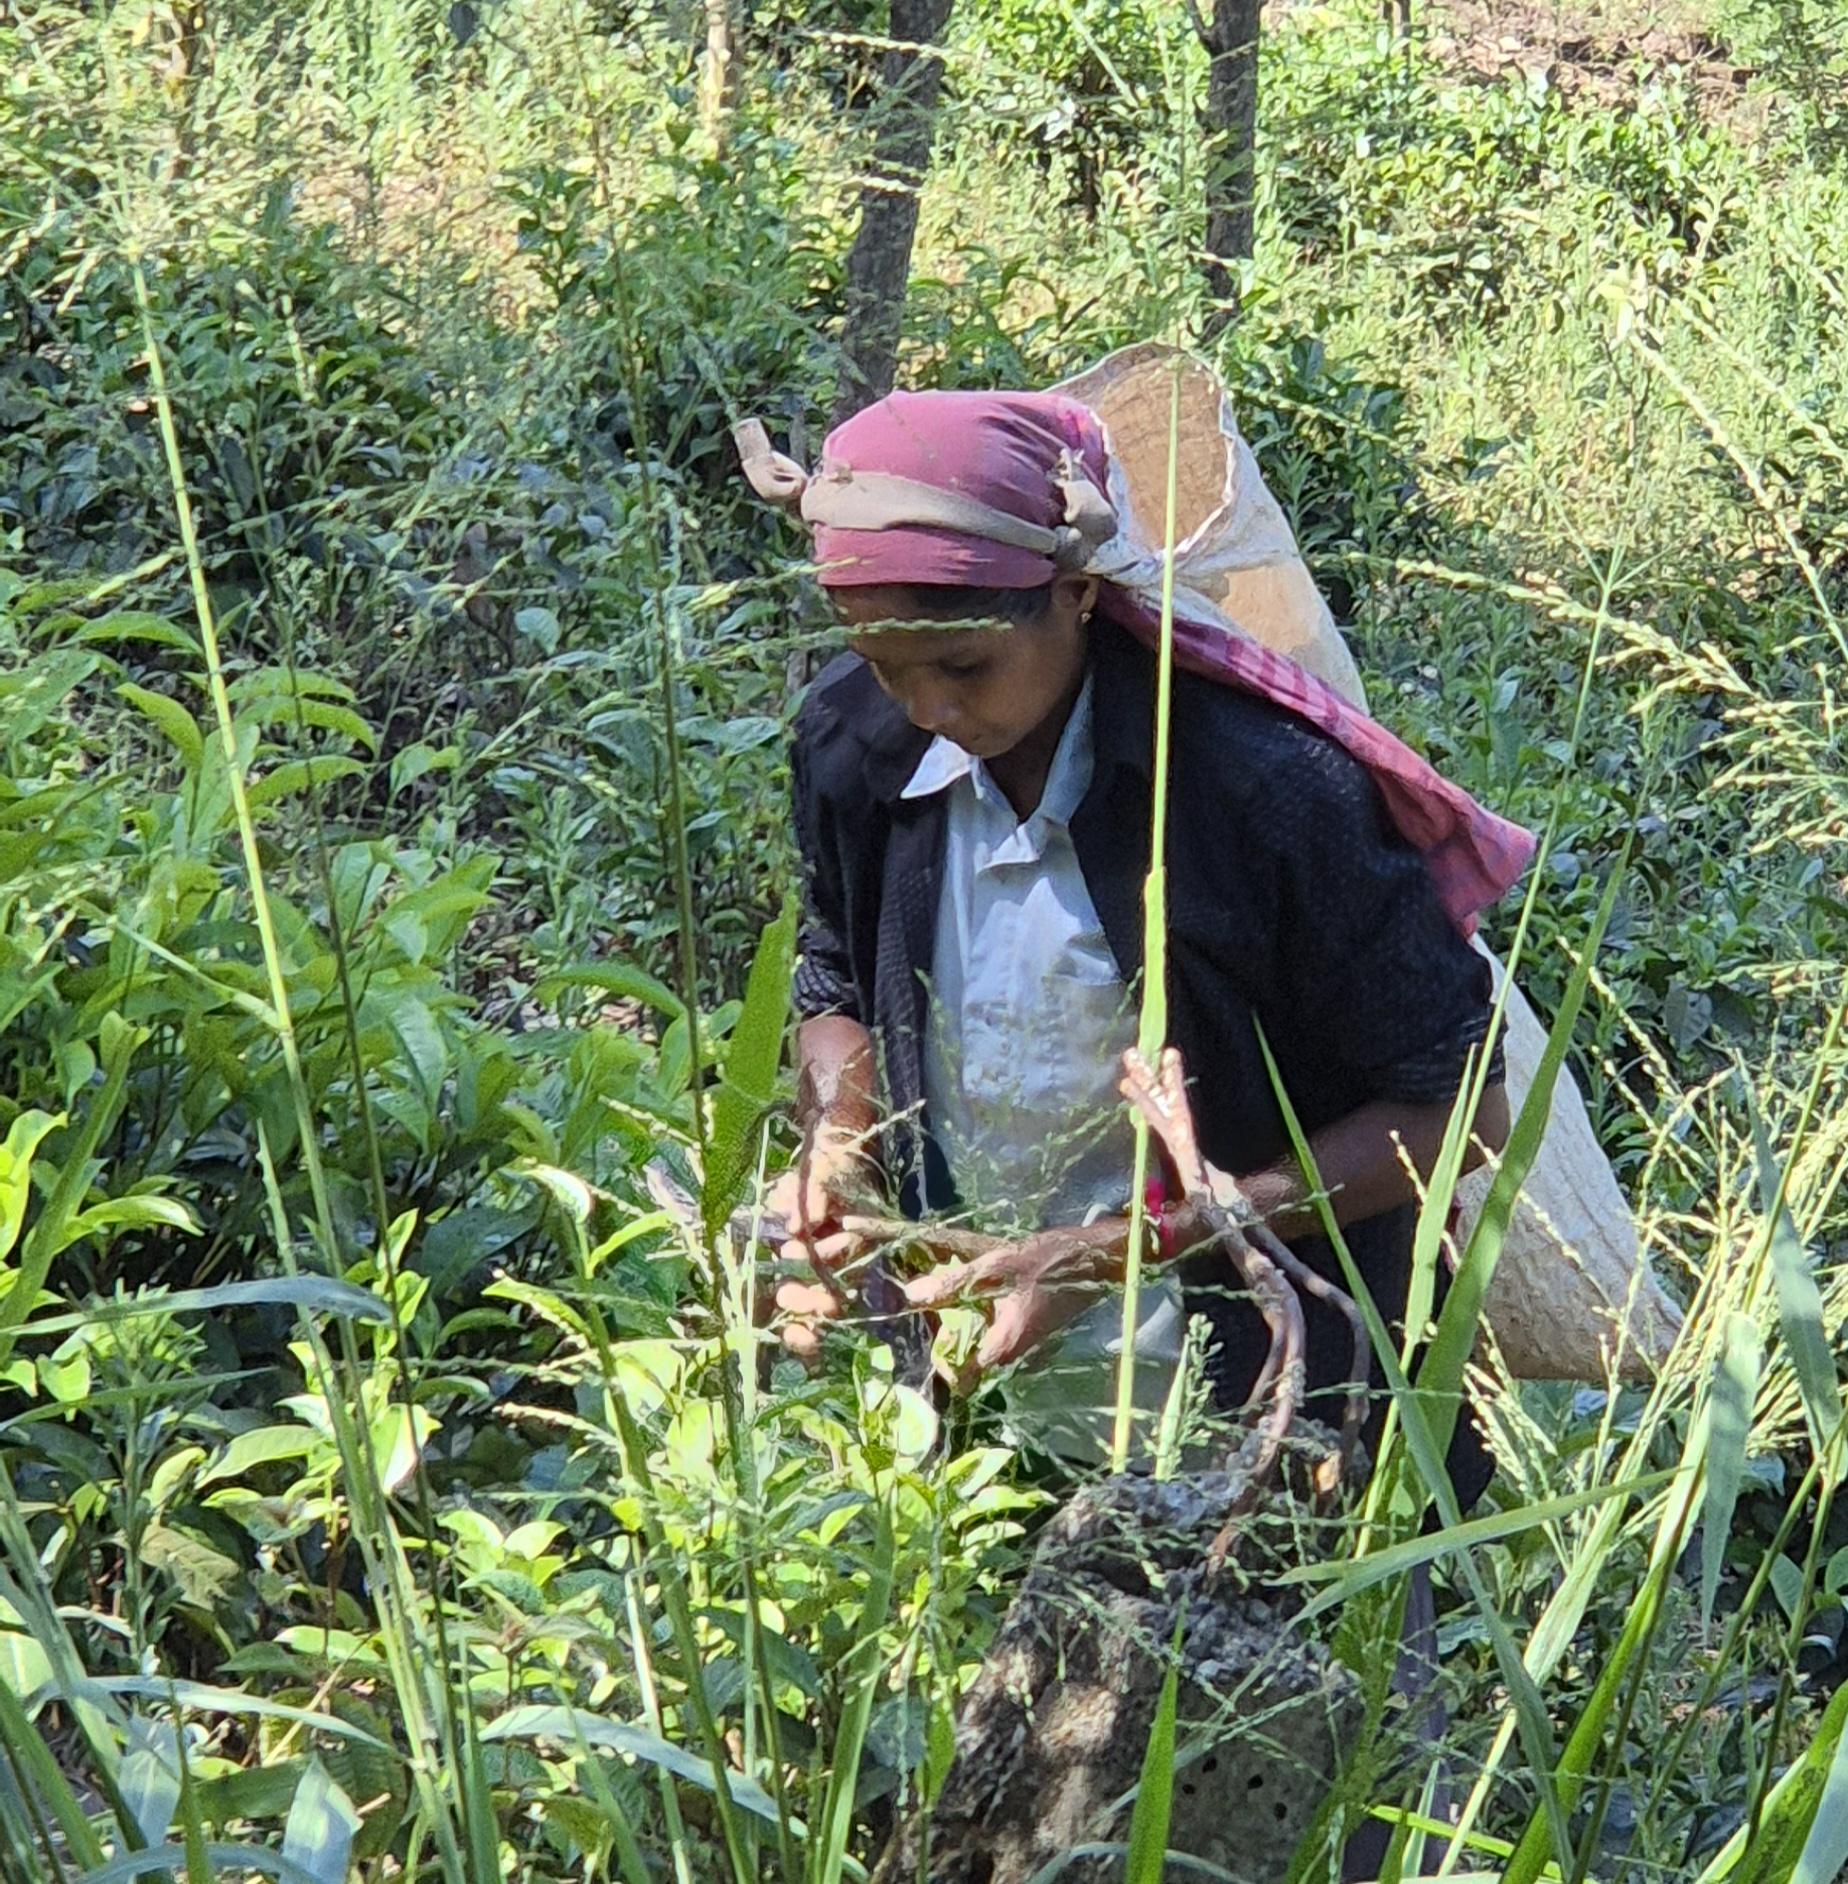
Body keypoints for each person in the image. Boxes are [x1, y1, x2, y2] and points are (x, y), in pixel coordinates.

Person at [747, 387, 1530, 1501]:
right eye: (883, 664)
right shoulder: (853, 743)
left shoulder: (1259, 791)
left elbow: (1457, 1110)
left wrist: (1135, 1242)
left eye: (961, 669)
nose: (921, 707)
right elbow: (836, 975)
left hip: (1283, 1414)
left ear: (1073, 593)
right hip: (984, 1417)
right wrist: (841, 1149)